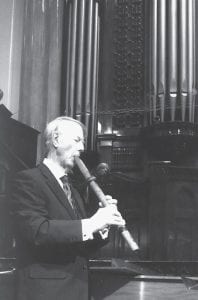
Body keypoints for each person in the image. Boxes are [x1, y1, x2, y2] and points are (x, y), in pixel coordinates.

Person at [10, 116, 125, 300]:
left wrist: (102, 226)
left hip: (76, 290)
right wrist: (92, 223)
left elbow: (78, 247)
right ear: (56, 140)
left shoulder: (73, 190)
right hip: (44, 292)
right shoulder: (28, 180)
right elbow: (38, 231)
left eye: (83, 142)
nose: (82, 148)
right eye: (77, 140)